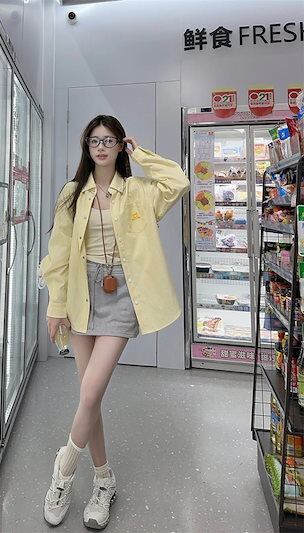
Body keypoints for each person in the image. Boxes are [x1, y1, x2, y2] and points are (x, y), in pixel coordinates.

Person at [38, 115, 190, 529]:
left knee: (90, 391)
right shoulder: (72, 193)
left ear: (120, 145)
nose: (101, 147)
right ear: (86, 147)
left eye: (109, 141)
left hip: (123, 292)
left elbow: (178, 181)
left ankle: (63, 473)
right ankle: (104, 481)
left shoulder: (138, 190)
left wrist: (141, 155)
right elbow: (58, 252)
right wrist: (56, 305)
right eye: (94, 141)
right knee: (90, 397)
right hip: (81, 292)